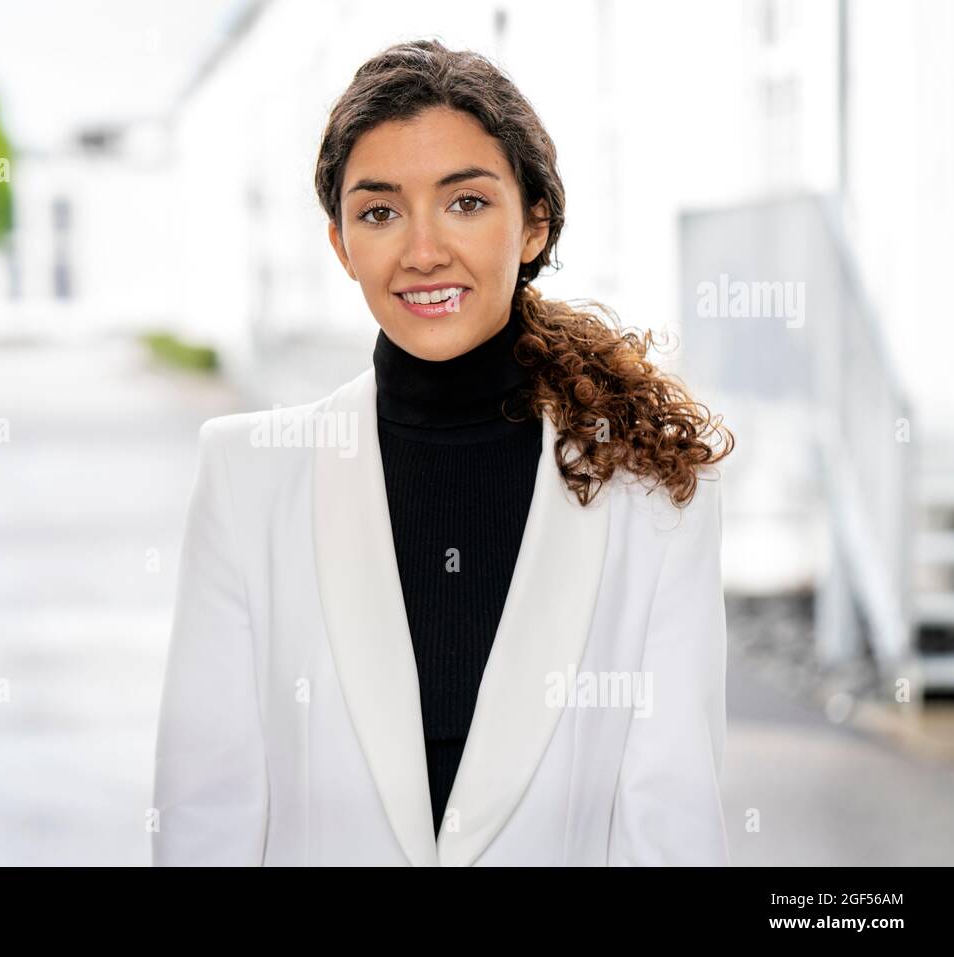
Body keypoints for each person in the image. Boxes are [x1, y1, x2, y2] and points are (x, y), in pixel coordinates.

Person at [151, 38, 735, 866]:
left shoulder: (655, 495)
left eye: (465, 202)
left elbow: (672, 827)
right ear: (341, 243)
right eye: (380, 211)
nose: (423, 251)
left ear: (534, 223)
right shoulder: (249, 478)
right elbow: (203, 819)